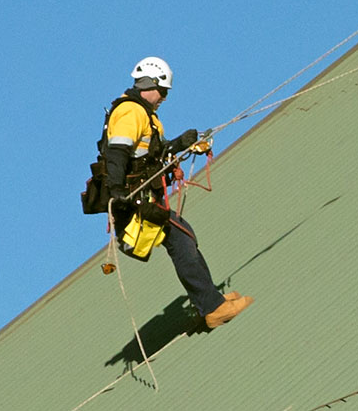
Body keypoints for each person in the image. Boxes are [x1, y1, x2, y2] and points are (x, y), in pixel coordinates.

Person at [102, 56, 253, 329]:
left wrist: (181, 144)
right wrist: (117, 191)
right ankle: (213, 307)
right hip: (133, 201)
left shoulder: (146, 116)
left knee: (184, 235)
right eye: (163, 91)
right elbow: (117, 152)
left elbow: (150, 155)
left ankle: (210, 300)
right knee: (182, 239)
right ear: (151, 84)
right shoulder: (130, 112)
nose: (163, 98)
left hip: (141, 197)